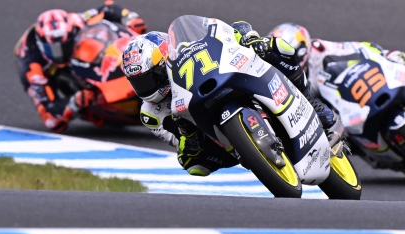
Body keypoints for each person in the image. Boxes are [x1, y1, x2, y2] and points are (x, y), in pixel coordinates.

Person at [122, 20, 338, 177]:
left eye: (151, 78)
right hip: (209, 136)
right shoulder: (151, 113)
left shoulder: (185, 49)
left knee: (276, 49)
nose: (147, 87)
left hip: (216, 81)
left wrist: (246, 36)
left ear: (166, 61)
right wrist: (186, 133)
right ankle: (248, 148)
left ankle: (311, 101)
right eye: (139, 82)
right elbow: (181, 150)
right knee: (194, 166)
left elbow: (221, 31)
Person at [14, 1, 147, 132]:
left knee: (95, 42)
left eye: (65, 45)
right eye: (56, 49)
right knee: (69, 106)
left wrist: (130, 18)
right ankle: (94, 106)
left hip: (73, 44)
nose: (61, 52)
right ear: (42, 45)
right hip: (45, 69)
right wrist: (74, 103)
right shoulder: (33, 69)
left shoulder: (74, 21)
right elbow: (50, 118)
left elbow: (107, 8)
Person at [268, 23, 405, 124]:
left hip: (347, 91)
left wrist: (384, 53)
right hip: (328, 111)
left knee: (396, 66)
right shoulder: (284, 78)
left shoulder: (319, 49)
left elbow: (354, 47)